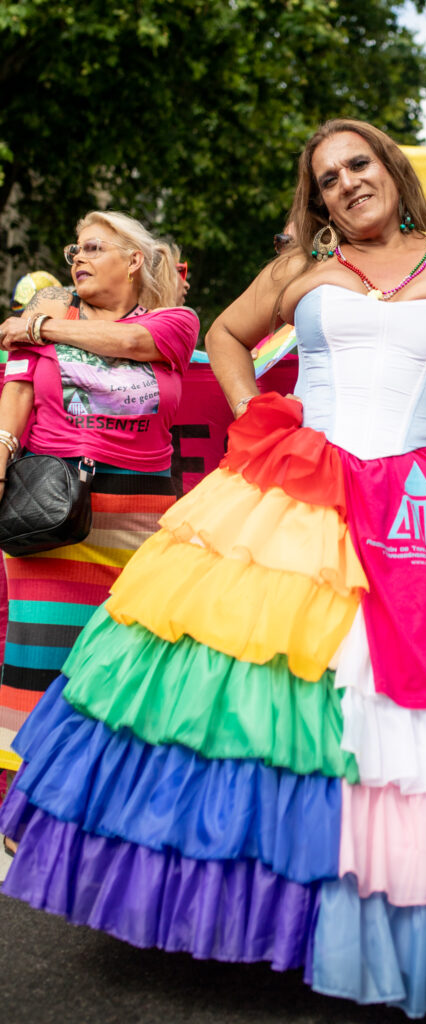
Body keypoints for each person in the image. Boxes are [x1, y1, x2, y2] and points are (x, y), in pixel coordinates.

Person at [0, 122, 426, 1017]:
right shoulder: (302, 270)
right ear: (315, 199)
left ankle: (411, 921)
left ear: (390, 169)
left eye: (358, 165)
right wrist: (256, 416)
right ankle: (277, 911)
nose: (347, 184)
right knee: (275, 707)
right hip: (296, 501)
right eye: (326, 179)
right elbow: (231, 338)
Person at [0, 211, 200, 845]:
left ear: (134, 260)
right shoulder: (53, 320)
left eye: (93, 248)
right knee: (35, 658)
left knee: (123, 662)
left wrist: (38, 324)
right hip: (51, 504)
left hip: (141, 512)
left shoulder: (172, 323)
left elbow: (133, 347)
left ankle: (98, 803)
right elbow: (18, 396)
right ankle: (18, 807)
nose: (78, 259)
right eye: (74, 250)